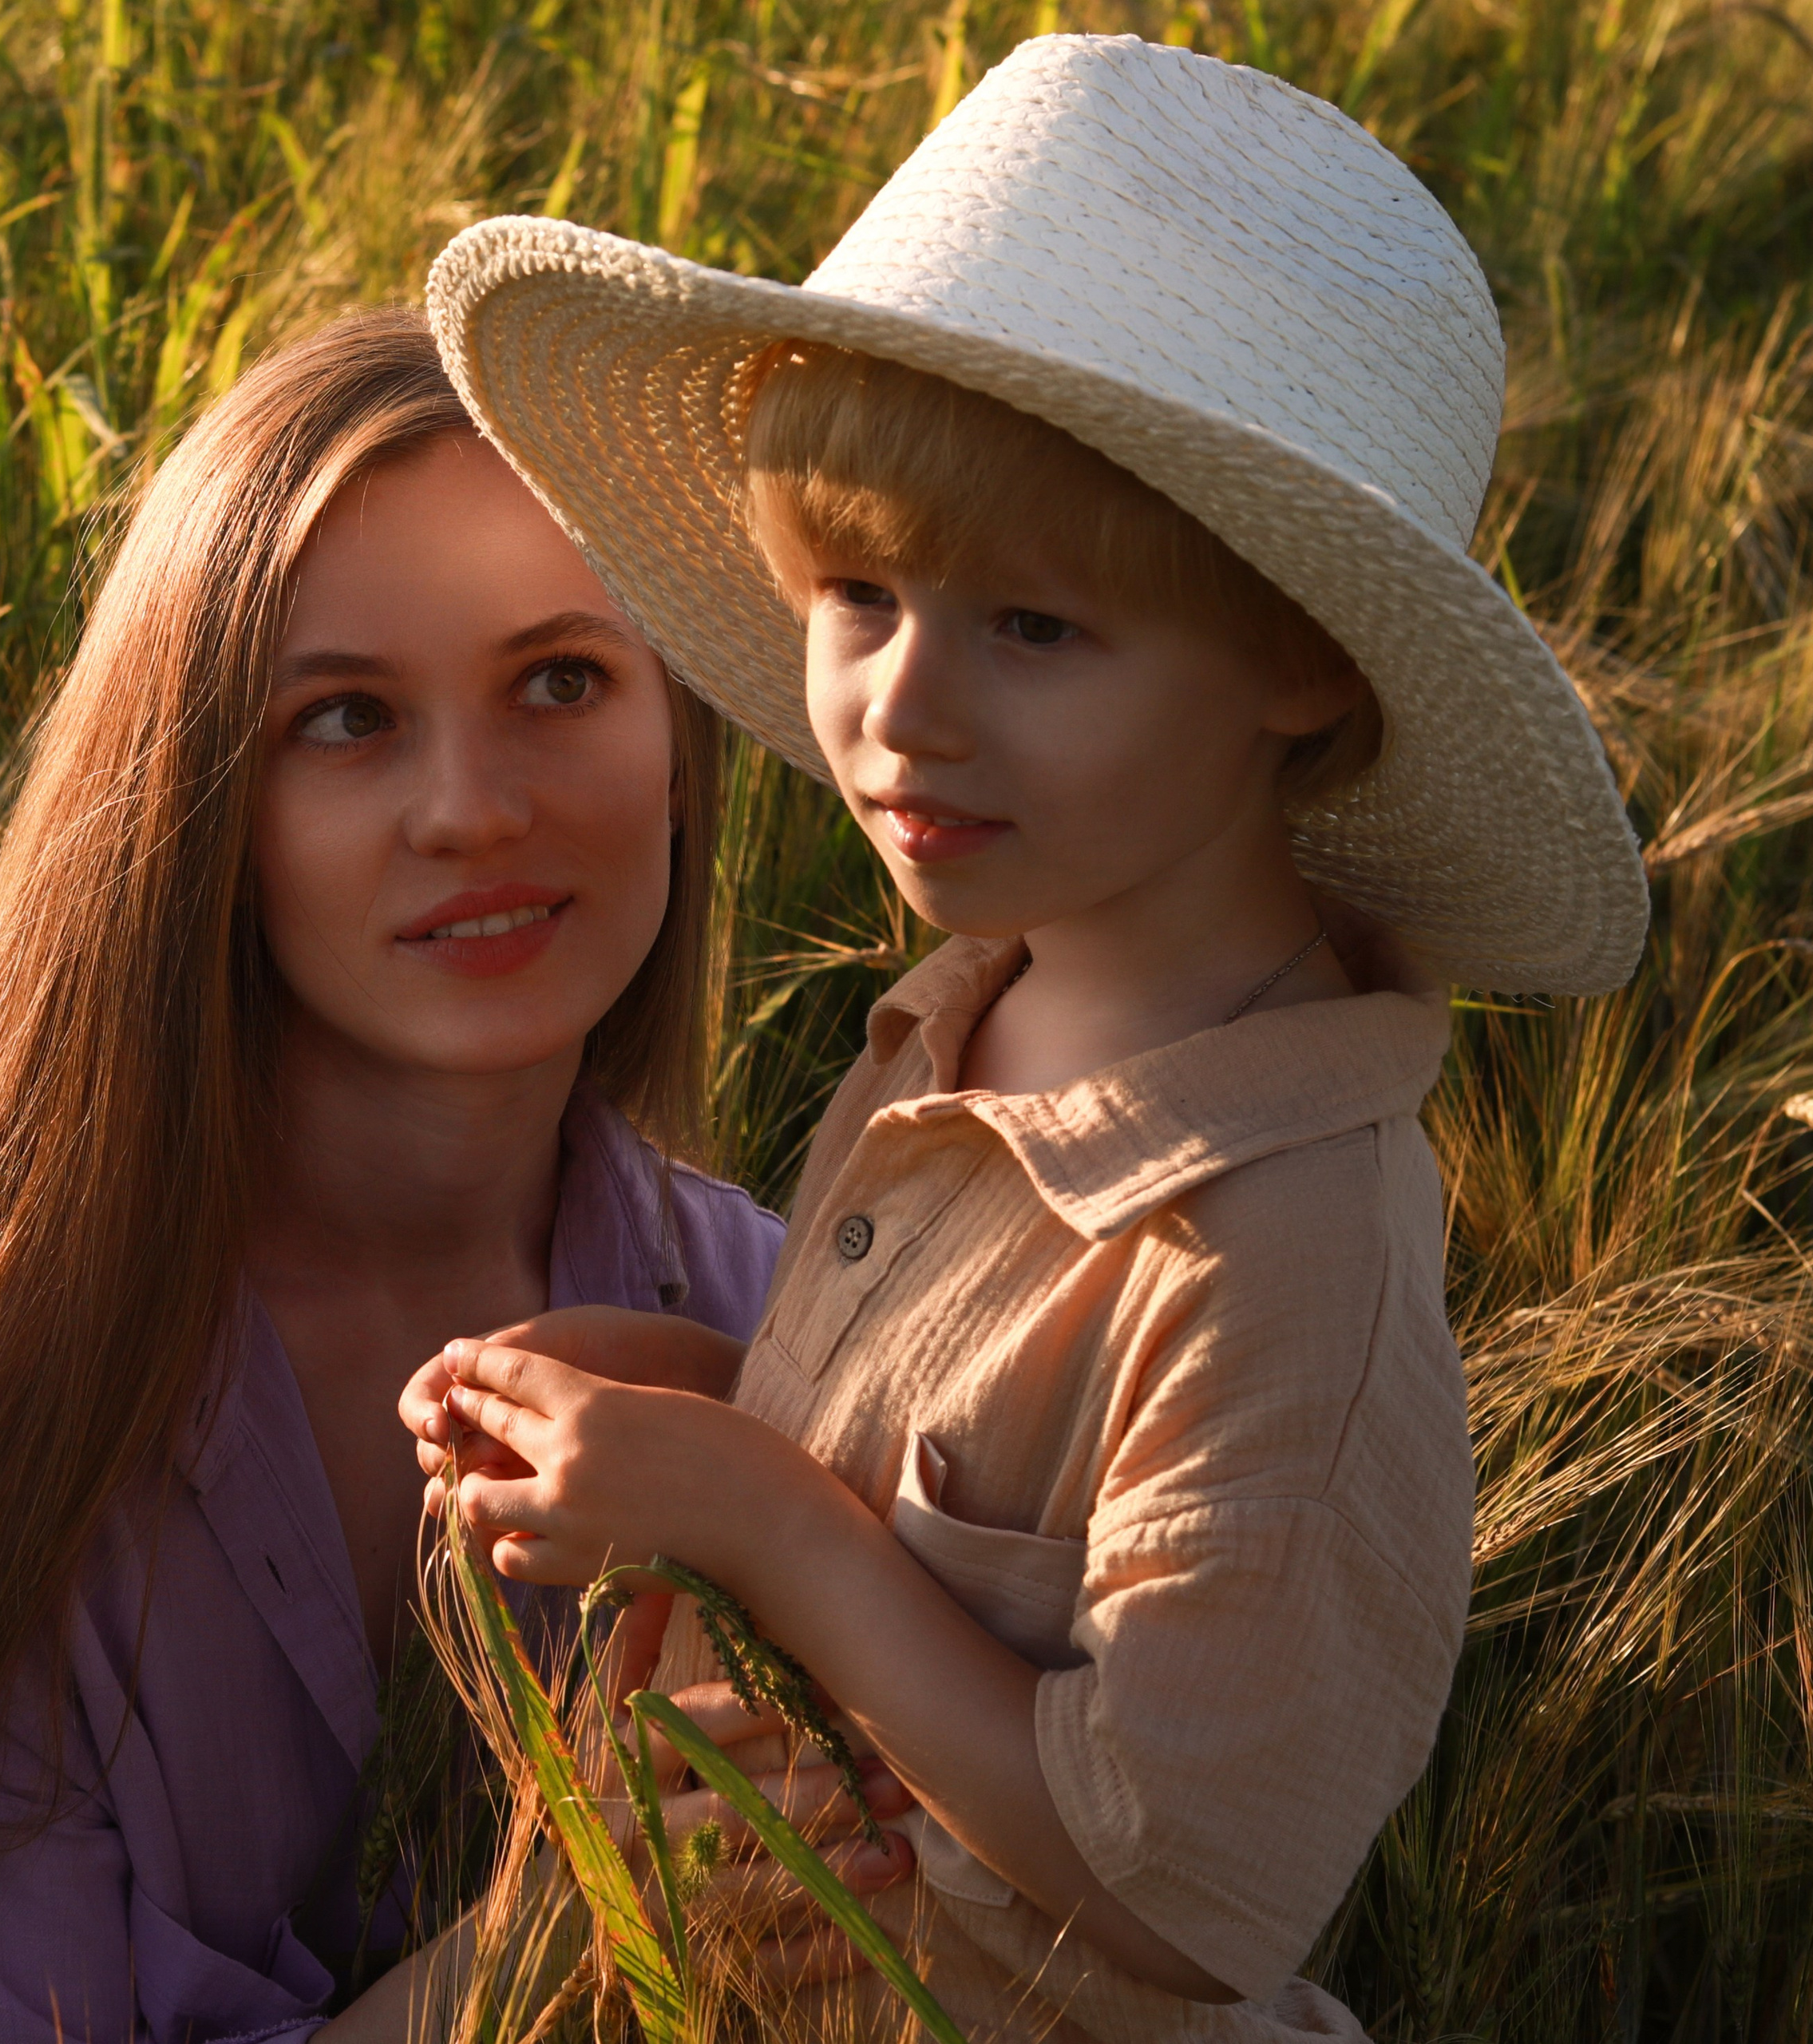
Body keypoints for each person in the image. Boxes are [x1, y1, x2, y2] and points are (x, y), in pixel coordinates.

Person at [405, 34, 1650, 2042]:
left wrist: (755, 1511)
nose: (899, 710)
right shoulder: (962, 1010)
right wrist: (708, 1402)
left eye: (1035, 628)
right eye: (859, 591)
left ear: (1299, 659)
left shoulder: (1277, 1240)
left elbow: (1175, 1881)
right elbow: (977, 1509)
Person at [0, 307, 914, 2044]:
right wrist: (566, 1936)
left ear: (679, 747)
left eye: (559, 679)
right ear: (198, 806)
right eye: (346, 719)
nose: (469, 809)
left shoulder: (795, 1322)